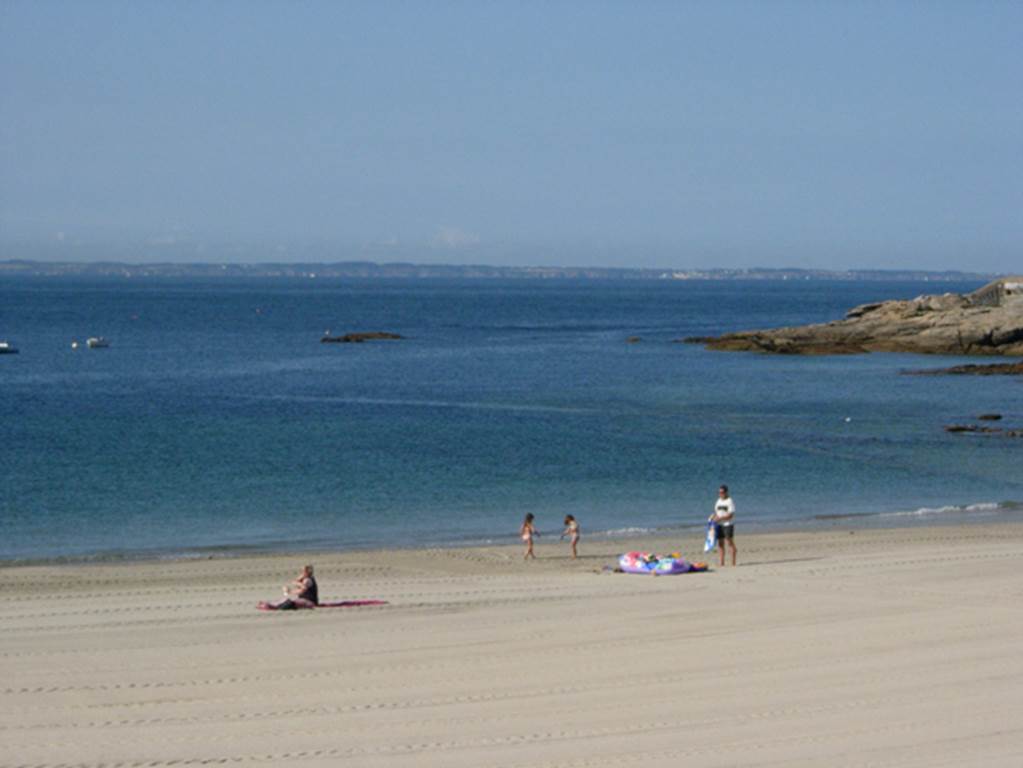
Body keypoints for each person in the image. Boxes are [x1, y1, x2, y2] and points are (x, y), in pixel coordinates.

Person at [709, 485, 737, 566]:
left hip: (728, 524)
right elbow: (716, 513)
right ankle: (722, 563)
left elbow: (731, 515)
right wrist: (713, 518)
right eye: (719, 492)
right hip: (719, 525)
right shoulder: (718, 501)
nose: (720, 494)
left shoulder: (729, 501)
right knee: (720, 544)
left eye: (722, 492)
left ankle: (733, 563)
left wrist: (721, 518)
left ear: (726, 492)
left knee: (729, 542)